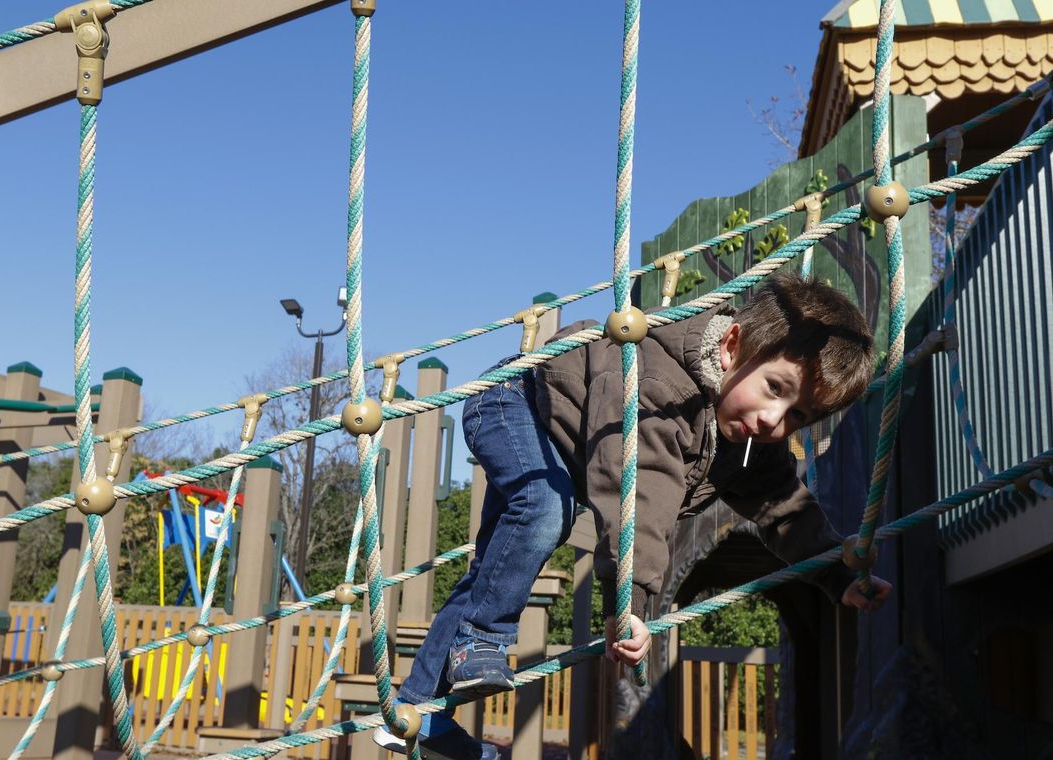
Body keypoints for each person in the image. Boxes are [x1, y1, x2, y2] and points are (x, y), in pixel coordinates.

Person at [374, 273, 892, 759]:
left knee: (495, 570)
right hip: (515, 402)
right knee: (544, 510)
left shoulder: (747, 436)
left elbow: (786, 508)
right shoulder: (661, 386)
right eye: (775, 389)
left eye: (798, 414)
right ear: (733, 346)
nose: (774, 420)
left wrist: (836, 571)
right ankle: (482, 641)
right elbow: (641, 494)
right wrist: (631, 606)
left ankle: (418, 708)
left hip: (560, 446)